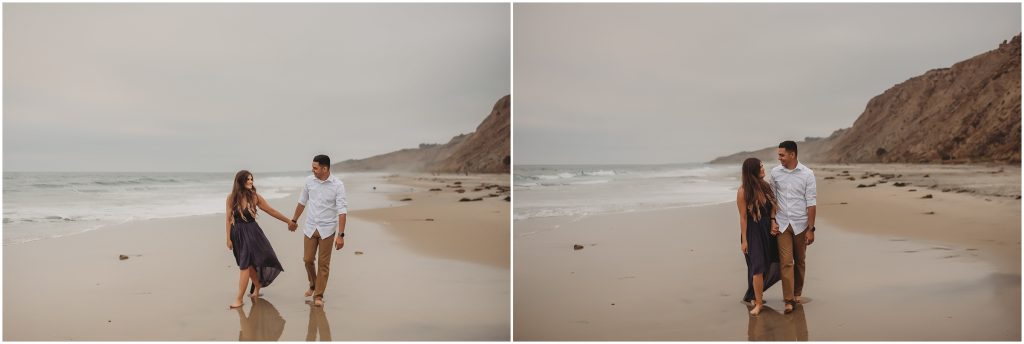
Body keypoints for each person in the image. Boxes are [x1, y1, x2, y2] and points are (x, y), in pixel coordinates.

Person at [226, 170, 293, 308]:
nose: (251, 182)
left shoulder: (255, 197)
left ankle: (239, 299)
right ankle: (257, 286)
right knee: (248, 265)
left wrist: (288, 221)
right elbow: (228, 219)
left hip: (252, 233)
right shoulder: (231, 198)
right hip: (237, 234)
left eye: (251, 179)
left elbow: (271, 210)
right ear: (240, 181)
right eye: (247, 179)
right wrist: (228, 238)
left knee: (244, 265)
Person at [289, 154, 348, 307]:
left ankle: (318, 295)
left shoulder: (338, 185)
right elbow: (302, 201)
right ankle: (313, 284)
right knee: (307, 260)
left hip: (327, 229)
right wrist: (294, 220)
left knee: (323, 264)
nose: (313, 170)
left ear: (325, 168)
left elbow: (342, 210)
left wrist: (341, 235)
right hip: (310, 227)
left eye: (315, 168)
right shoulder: (309, 181)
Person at [768, 141, 817, 313]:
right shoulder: (775, 173)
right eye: (779, 155)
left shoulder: (807, 174)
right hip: (782, 224)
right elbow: (772, 199)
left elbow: (811, 203)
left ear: (792, 155)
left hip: (801, 224)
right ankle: (788, 301)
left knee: (800, 261)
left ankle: (797, 294)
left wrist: (811, 229)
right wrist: (772, 220)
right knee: (786, 262)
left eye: (782, 155)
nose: (779, 158)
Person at [737, 158, 781, 316]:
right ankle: (759, 303)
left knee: (774, 262)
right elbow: (743, 217)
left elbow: (771, 209)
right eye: (760, 167)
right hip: (752, 232)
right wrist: (744, 240)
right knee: (757, 267)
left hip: (767, 230)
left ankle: (755, 295)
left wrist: (772, 222)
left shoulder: (765, 186)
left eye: (763, 166)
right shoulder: (743, 191)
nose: (763, 169)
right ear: (752, 171)